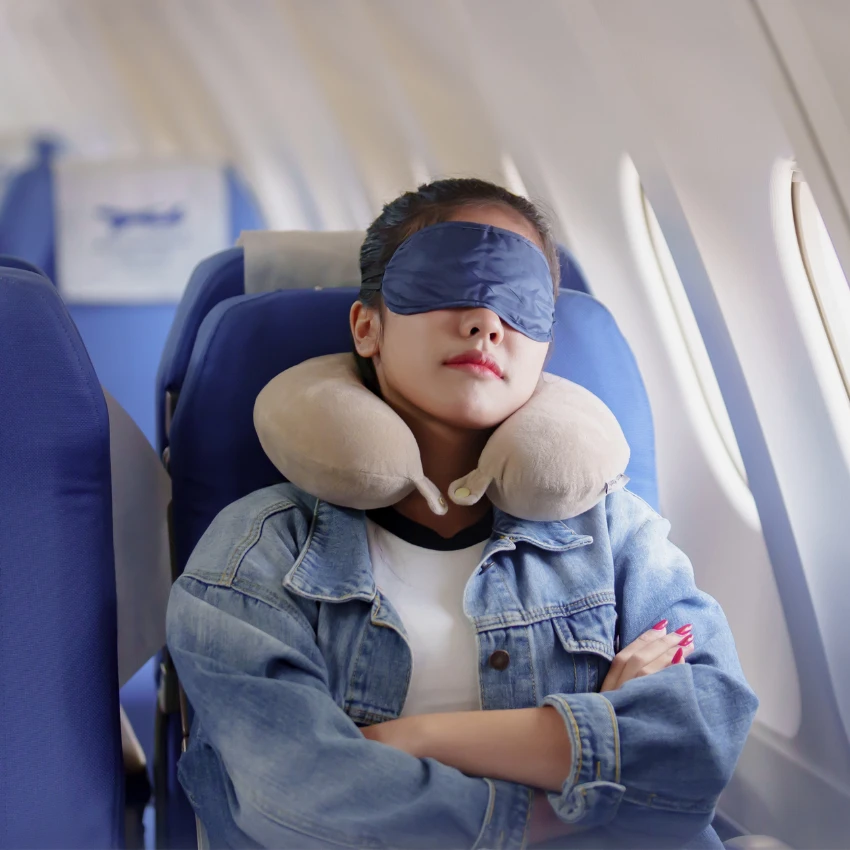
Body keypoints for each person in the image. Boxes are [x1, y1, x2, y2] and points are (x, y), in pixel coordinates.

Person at [166, 178, 758, 849]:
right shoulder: (256, 556)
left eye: (518, 300)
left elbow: (704, 736)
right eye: (445, 283)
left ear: (546, 347)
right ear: (368, 327)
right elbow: (298, 798)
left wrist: (408, 739)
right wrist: (575, 796)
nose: (485, 322)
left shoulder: (615, 533)